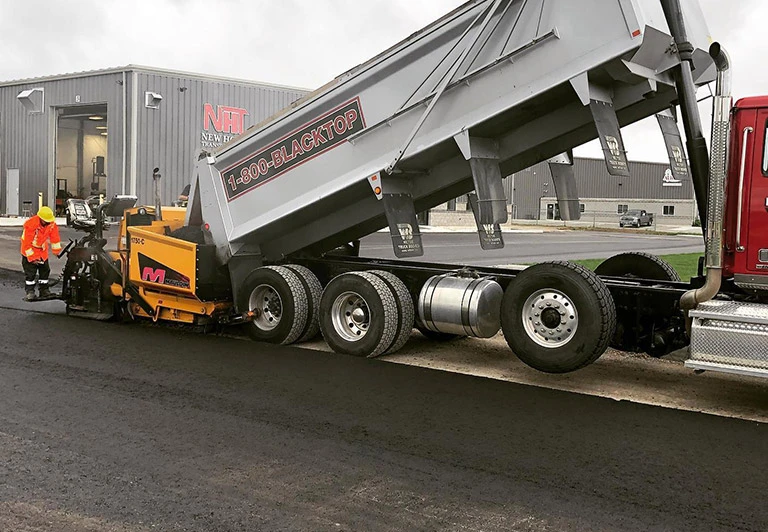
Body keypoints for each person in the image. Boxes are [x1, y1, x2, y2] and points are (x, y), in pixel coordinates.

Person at [20, 206, 63, 301]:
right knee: (30, 274)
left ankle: (44, 290)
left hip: (41, 252)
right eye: (46, 221)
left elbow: (55, 238)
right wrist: (32, 258)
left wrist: (56, 251)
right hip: (29, 252)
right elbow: (26, 243)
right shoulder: (31, 225)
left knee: (45, 270)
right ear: (41, 218)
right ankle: (30, 292)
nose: (48, 222)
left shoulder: (51, 224)